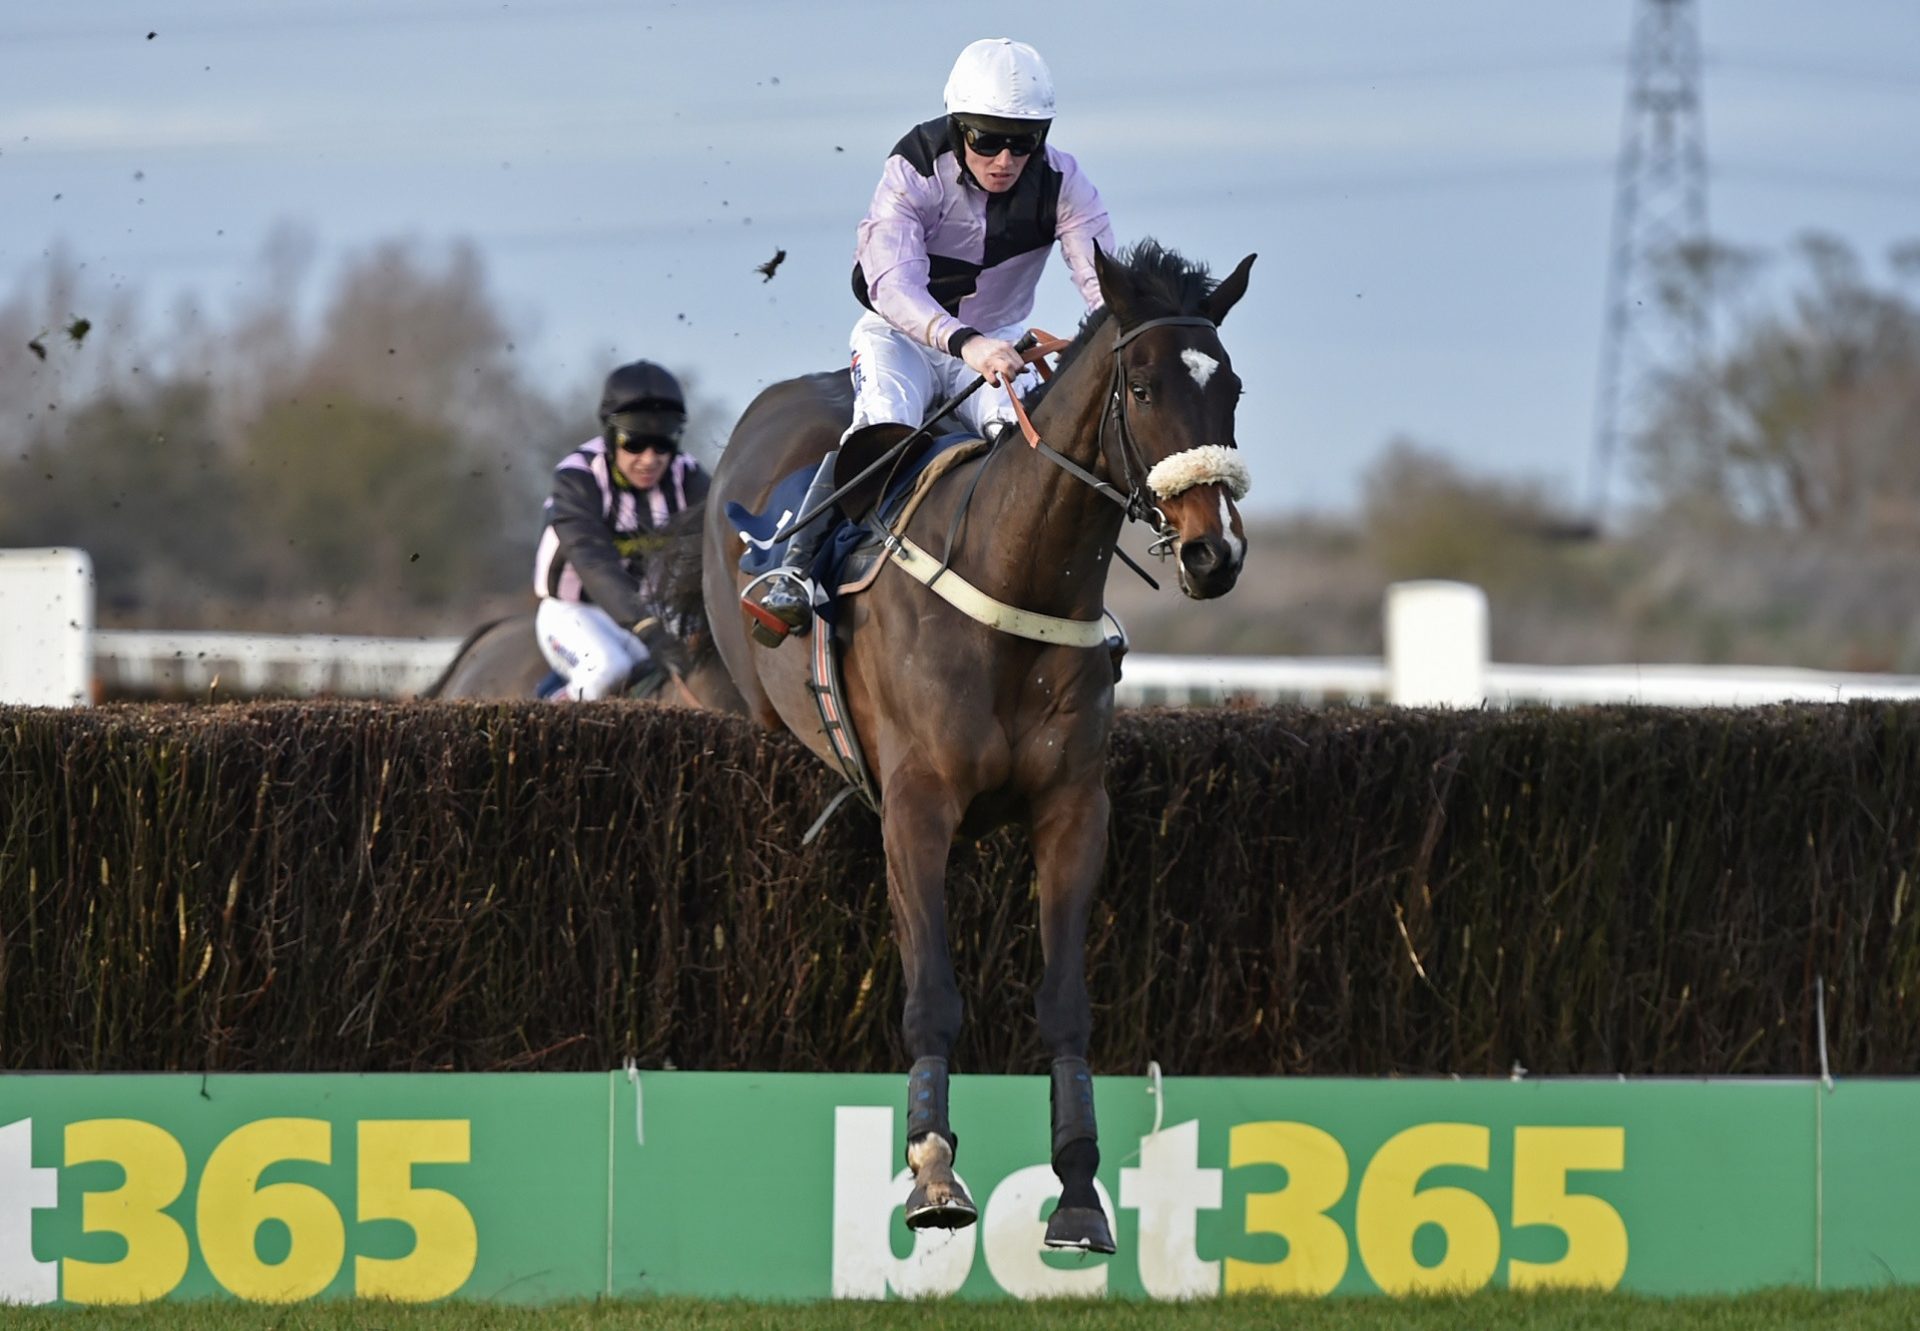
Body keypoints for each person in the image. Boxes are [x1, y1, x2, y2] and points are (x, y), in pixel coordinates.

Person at [743, 36, 1116, 646]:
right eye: (986, 138)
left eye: (1022, 141)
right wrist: (965, 342)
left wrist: (1111, 333)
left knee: (1033, 450)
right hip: (904, 338)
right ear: (957, 126)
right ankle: (794, 567)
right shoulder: (912, 169)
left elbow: (1100, 276)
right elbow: (893, 286)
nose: (1004, 158)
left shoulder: (1065, 181)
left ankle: (1065, 602)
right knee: (884, 425)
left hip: (998, 341)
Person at [533, 359, 709, 699]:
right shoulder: (577, 478)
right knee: (606, 670)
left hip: (648, 610)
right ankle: (539, 738)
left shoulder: (688, 477)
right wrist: (648, 628)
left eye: (664, 444)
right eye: (635, 443)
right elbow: (594, 563)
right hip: (571, 611)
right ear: (611, 436)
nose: (649, 459)